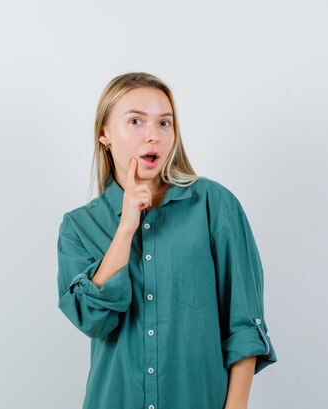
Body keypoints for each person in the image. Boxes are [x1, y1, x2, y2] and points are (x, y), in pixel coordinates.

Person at [56, 72, 277, 409]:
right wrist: (126, 227)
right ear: (105, 134)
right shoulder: (79, 226)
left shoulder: (214, 206)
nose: (153, 136)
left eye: (164, 123)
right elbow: (91, 317)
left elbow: (245, 327)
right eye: (135, 121)